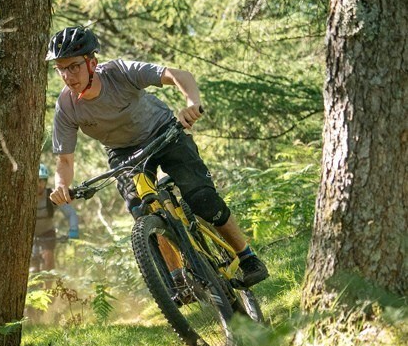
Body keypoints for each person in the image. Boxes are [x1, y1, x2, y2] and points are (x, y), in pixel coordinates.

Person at [44, 26, 268, 289]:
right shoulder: (67, 106)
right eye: (61, 69)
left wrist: (191, 102)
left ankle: (247, 257)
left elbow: (178, 75)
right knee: (143, 210)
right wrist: (61, 186)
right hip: (124, 153)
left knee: (202, 199)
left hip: (164, 132)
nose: (67, 76)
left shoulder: (120, 72)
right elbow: (65, 161)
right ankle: (178, 279)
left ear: (92, 63)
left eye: (73, 67)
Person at [33, 163, 79, 272]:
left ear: (45, 182)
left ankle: (48, 288)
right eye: (36, 180)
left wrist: (73, 230)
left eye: (42, 181)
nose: (39, 184)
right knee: (32, 267)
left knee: (48, 259)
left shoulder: (52, 195)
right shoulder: (25, 195)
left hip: (47, 232)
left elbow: (71, 213)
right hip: (30, 235)